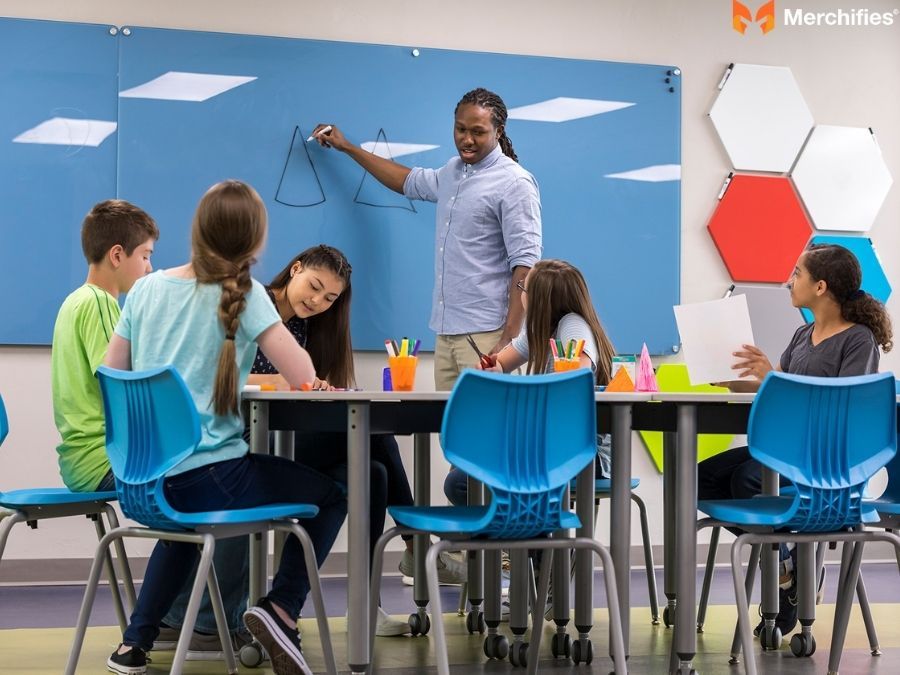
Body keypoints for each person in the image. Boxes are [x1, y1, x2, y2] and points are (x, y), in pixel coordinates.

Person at [103, 180, 346, 675]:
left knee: (181, 526)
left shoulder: (146, 289)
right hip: (206, 482)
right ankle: (280, 609)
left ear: (197, 230)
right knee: (335, 494)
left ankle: (134, 644)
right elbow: (302, 376)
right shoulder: (247, 294)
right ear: (256, 243)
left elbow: (112, 373)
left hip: (141, 481)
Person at [248, 243, 451, 635]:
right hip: (253, 438)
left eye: (330, 297)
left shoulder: (309, 326)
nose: (318, 301)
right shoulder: (257, 304)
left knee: (373, 471)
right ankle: (416, 545)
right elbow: (230, 376)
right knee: (376, 438)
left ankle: (363, 606)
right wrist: (292, 383)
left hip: (291, 438)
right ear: (295, 269)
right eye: (314, 286)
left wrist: (314, 388)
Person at [698, 243, 893, 636]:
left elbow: (844, 407)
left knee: (747, 481)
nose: (790, 281)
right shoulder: (803, 334)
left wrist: (773, 377)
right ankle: (790, 571)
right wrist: (730, 378)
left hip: (825, 460)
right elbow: (777, 387)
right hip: (788, 451)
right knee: (700, 477)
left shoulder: (859, 341)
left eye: (798, 274)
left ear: (820, 286)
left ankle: (788, 572)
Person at [311, 87, 542, 391]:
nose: (466, 139)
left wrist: (509, 338)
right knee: (450, 432)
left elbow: (525, 264)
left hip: (487, 333)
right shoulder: (453, 172)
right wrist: (347, 148)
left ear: (498, 131)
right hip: (447, 332)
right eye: (460, 129)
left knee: (484, 431)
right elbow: (406, 181)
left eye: (477, 131)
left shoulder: (514, 182)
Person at [450, 259, 616, 502]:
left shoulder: (572, 325)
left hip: (584, 455)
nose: (521, 294)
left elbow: (574, 383)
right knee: (466, 472)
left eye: (523, 288)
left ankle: (525, 535)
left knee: (463, 482)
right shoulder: (539, 328)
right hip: (556, 446)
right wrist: (493, 368)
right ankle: (529, 534)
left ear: (539, 299)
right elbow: (501, 363)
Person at [51, 199, 158, 494]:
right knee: (206, 476)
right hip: (105, 460)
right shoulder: (99, 302)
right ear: (117, 255)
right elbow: (120, 388)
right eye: (146, 256)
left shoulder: (74, 300)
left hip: (85, 461)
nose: (150, 268)